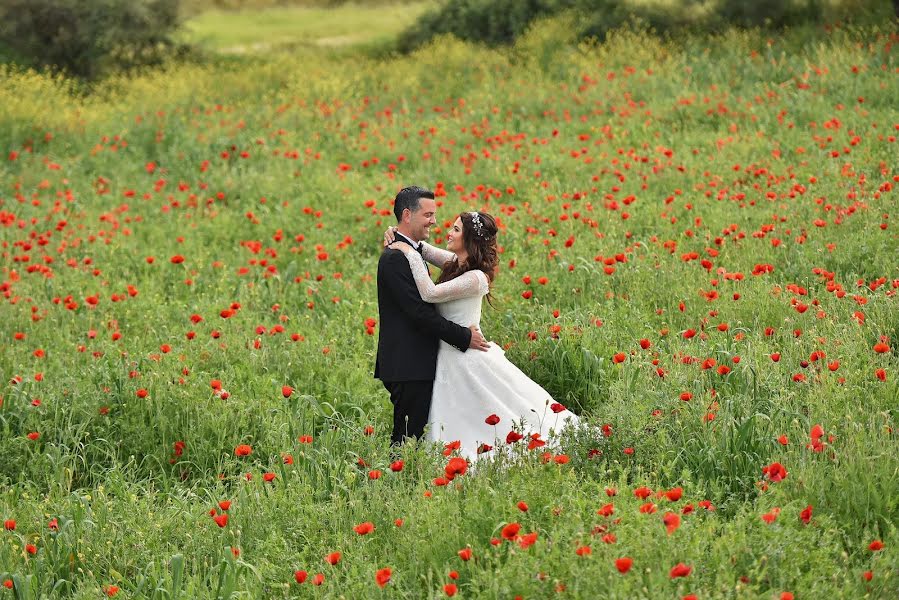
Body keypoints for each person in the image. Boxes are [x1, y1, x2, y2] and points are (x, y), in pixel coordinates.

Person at [385, 210, 580, 461]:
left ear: (469, 240)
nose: (448, 232)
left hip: (467, 354)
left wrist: (408, 252)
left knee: (488, 411)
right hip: (447, 353)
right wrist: (397, 236)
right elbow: (424, 248)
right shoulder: (456, 264)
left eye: (456, 230)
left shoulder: (476, 277)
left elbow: (430, 293)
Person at [375, 186, 490, 446]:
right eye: (428, 214)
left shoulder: (414, 252)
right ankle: (400, 482)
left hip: (423, 362)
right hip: (408, 363)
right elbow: (418, 312)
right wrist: (463, 337)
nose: (435, 221)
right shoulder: (395, 258)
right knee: (406, 439)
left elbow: (427, 256)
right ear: (407, 215)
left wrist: (407, 245)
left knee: (420, 436)